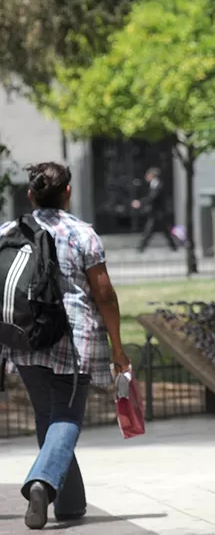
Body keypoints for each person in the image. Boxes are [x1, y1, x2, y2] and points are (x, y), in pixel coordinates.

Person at [1, 162, 130, 529]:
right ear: (68, 192)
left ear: (30, 194)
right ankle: (40, 483)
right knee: (66, 418)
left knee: (48, 417)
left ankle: (70, 504)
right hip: (74, 340)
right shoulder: (81, 234)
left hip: (23, 337)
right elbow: (104, 295)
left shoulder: (9, 231)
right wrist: (118, 348)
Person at [131, 167, 177, 252]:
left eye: (148, 175)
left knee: (150, 230)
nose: (146, 177)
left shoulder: (158, 185)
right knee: (162, 231)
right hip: (156, 213)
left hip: (158, 213)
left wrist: (140, 202)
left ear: (152, 175)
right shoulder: (154, 184)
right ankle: (173, 246)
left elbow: (152, 197)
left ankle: (141, 247)